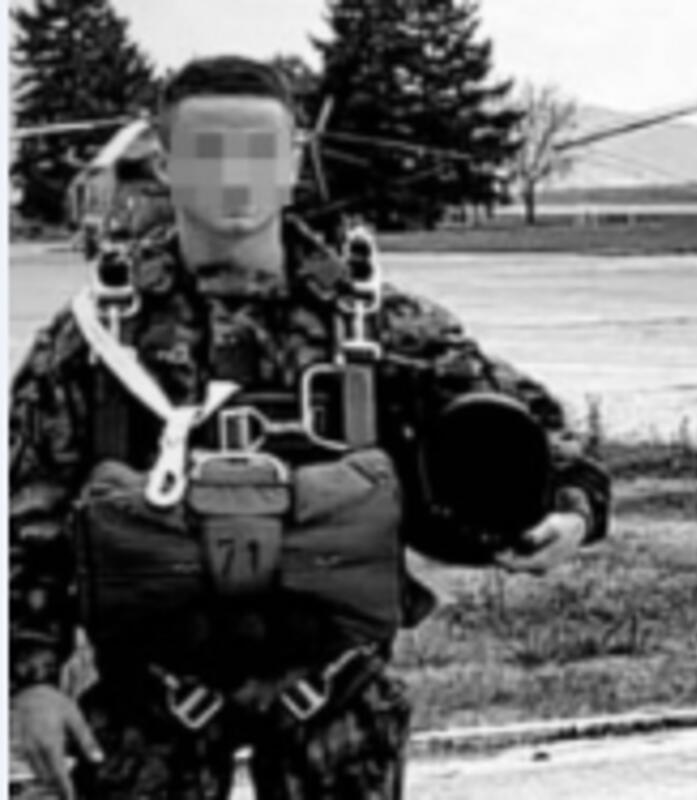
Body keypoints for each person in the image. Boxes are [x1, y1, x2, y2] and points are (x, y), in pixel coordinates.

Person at [9, 55, 610, 800]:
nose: (236, 174)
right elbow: (32, 518)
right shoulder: (100, 335)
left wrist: (569, 514)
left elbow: (535, 437)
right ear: (165, 165)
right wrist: (32, 682)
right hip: (149, 703)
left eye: (260, 151)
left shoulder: (375, 323)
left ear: (294, 164)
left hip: (335, 702)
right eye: (208, 151)